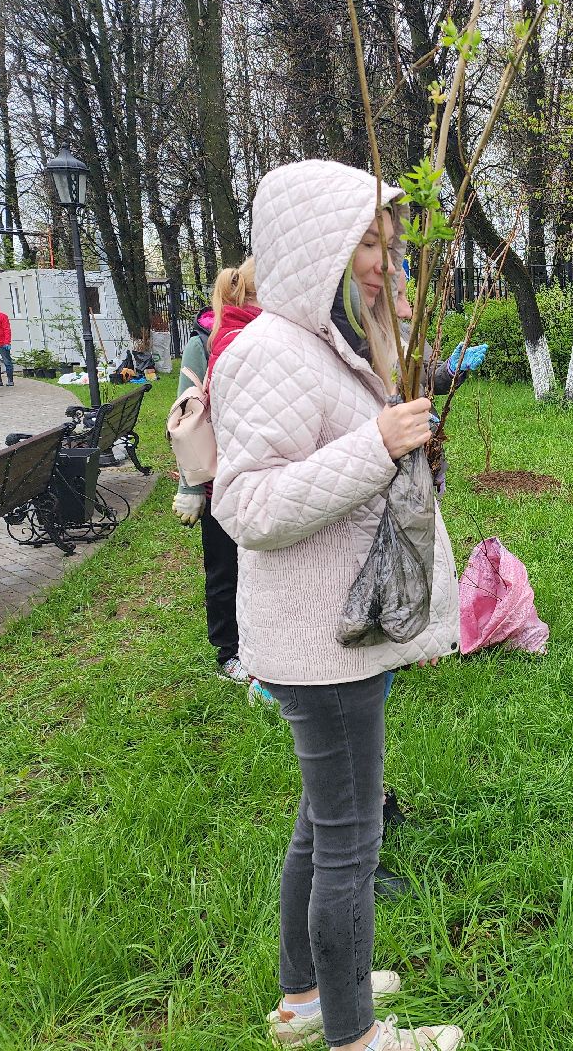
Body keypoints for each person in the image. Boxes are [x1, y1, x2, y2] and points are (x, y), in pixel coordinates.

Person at [210, 159, 465, 1051]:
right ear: (313, 245)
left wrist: (405, 443)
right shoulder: (268, 353)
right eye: (367, 242)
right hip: (324, 643)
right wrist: (376, 445)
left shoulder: (321, 344)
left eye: (388, 242)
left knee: (321, 829)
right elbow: (247, 505)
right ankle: (354, 1034)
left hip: (334, 632)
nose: (385, 260)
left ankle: (305, 998)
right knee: (350, 844)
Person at [173, 262, 264, 694]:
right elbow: (187, 418)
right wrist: (189, 487)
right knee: (225, 568)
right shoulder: (204, 342)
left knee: (258, 566)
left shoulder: (275, 335)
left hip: (259, 475)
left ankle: (261, 642)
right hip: (219, 480)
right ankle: (229, 651)